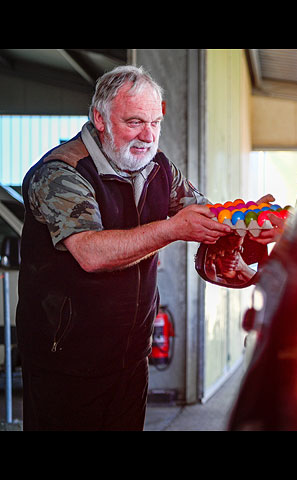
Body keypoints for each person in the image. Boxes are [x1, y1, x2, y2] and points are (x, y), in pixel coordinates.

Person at [16, 65, 274, 431]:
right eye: (135, 121)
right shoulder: (61, 173)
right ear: (100, 119)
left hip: (130, 358)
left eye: (155, 122)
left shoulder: (159, 168)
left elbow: (206, 214)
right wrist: (170, 230)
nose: (148, 135)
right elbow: (91, 253)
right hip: (65, 363)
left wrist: (252, 228)